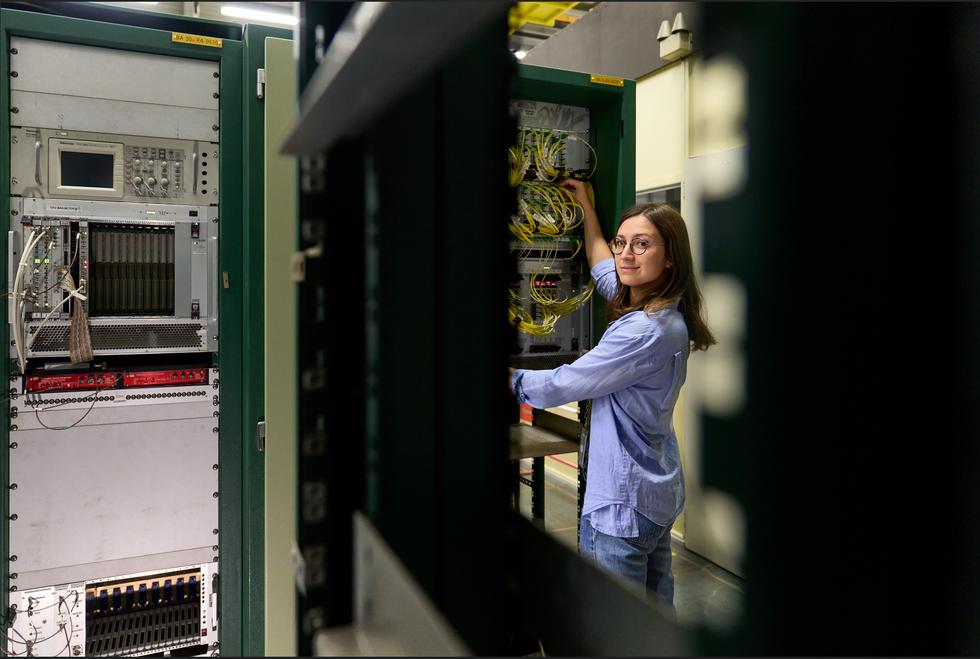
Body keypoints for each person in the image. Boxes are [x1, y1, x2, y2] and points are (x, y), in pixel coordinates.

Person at [509, 178, 716, 616]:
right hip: (654, 496)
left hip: (621, 506)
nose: (626, 254)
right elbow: (605, 266)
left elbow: (559, 386)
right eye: (623, 243)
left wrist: (506, 376)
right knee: (656, 616)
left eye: (641, 245)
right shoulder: (663, 309)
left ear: (671, 259)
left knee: (611, 625)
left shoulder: (645, 330)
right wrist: (586, 208)